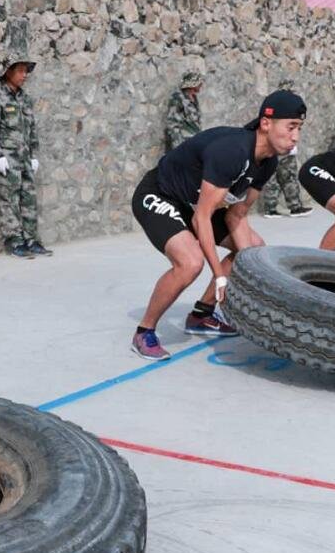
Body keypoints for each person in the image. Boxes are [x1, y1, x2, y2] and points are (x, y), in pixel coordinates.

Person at [129, 90, 306, 360]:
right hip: (160, 195)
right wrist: (220, 276)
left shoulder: (267, 162)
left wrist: (250, 273)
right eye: (291, 127)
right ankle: (144, 331)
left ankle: (201, 314)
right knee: (190, 263)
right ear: (266, 123)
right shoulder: (232, 151)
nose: (296, 137)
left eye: (299, 128)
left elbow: (237, 215)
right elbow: (202, 217)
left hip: (195, 206)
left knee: (253, 250)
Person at [0, 52, 52, 258]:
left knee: (29, 199)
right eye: (20, 70)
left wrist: (34, 154)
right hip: (7, 159)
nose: (24, 75)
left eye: (26, 71)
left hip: (25, 159)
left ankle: (31, 240)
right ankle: (15, 242)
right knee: (9, 201)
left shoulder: (24, 99)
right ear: (8, 72)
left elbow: (31, 128)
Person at [164, 71, 204, 152]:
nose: (201, 85)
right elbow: (172, 123)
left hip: (194, 140)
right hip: (182, 142)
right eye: (199, 83)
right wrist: (177, 145)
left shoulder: (194, 98)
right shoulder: (178, 98)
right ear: (192, 84)